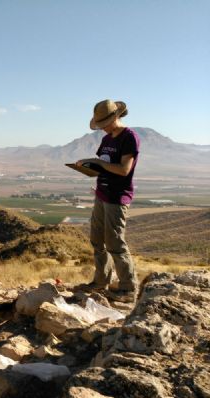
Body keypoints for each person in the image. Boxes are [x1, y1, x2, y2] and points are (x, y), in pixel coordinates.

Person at [76, 99, 139, 302]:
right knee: (97, 240)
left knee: (115, 242)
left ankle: (128, 287)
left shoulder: (129, 137)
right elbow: (103, 166)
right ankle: (101, 280)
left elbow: (123, 169)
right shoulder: (108, 139)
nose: (102, 129)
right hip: (102, 194)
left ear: (114, 117)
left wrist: (97, 163)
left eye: (104, 124)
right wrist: (86, 166)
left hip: (116, 197)